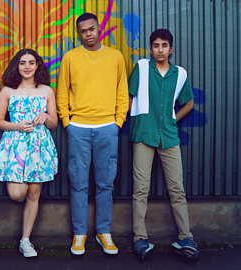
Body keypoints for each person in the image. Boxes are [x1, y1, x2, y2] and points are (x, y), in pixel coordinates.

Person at [56, 13, 129, 255]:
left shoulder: (115, 56)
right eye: (83, 31)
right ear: (79, 33)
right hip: (78, 130)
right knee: (78, 185)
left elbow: (122, 92)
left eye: (92, 29)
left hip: (108, 128)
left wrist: (117, 122)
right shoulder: (70, 57)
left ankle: (104, 233)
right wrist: (68, 122)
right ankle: (79, 235)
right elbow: (62, 94)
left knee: (105, 184)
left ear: (100, 29)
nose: (88, 33)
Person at [129, 29, 198, 261]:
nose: (160, 49)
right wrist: (133, 118)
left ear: (171, 48)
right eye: (156, 45)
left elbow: (188, 103)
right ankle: (140, 238)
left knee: (177, 189)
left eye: (164, 45)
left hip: (169, 137)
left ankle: (185, 237)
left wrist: (173, 119)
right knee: (141, 189)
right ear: (151, 48)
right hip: (144, 135)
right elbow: (128, 96)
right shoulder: (141, 67)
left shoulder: (180, 74)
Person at [0, 49, 58, 258]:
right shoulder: (8, 91)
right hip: (14, 146)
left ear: (37, 65)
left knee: (33, 193)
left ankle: (25, 240)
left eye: (31, 62)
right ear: (17, 66)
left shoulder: (47, 91)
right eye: (23, 63)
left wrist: (45, 115)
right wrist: (18, 126)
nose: (27, 66)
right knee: (17, 193)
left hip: (39, 146)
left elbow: (54, 123)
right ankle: (24, 231)